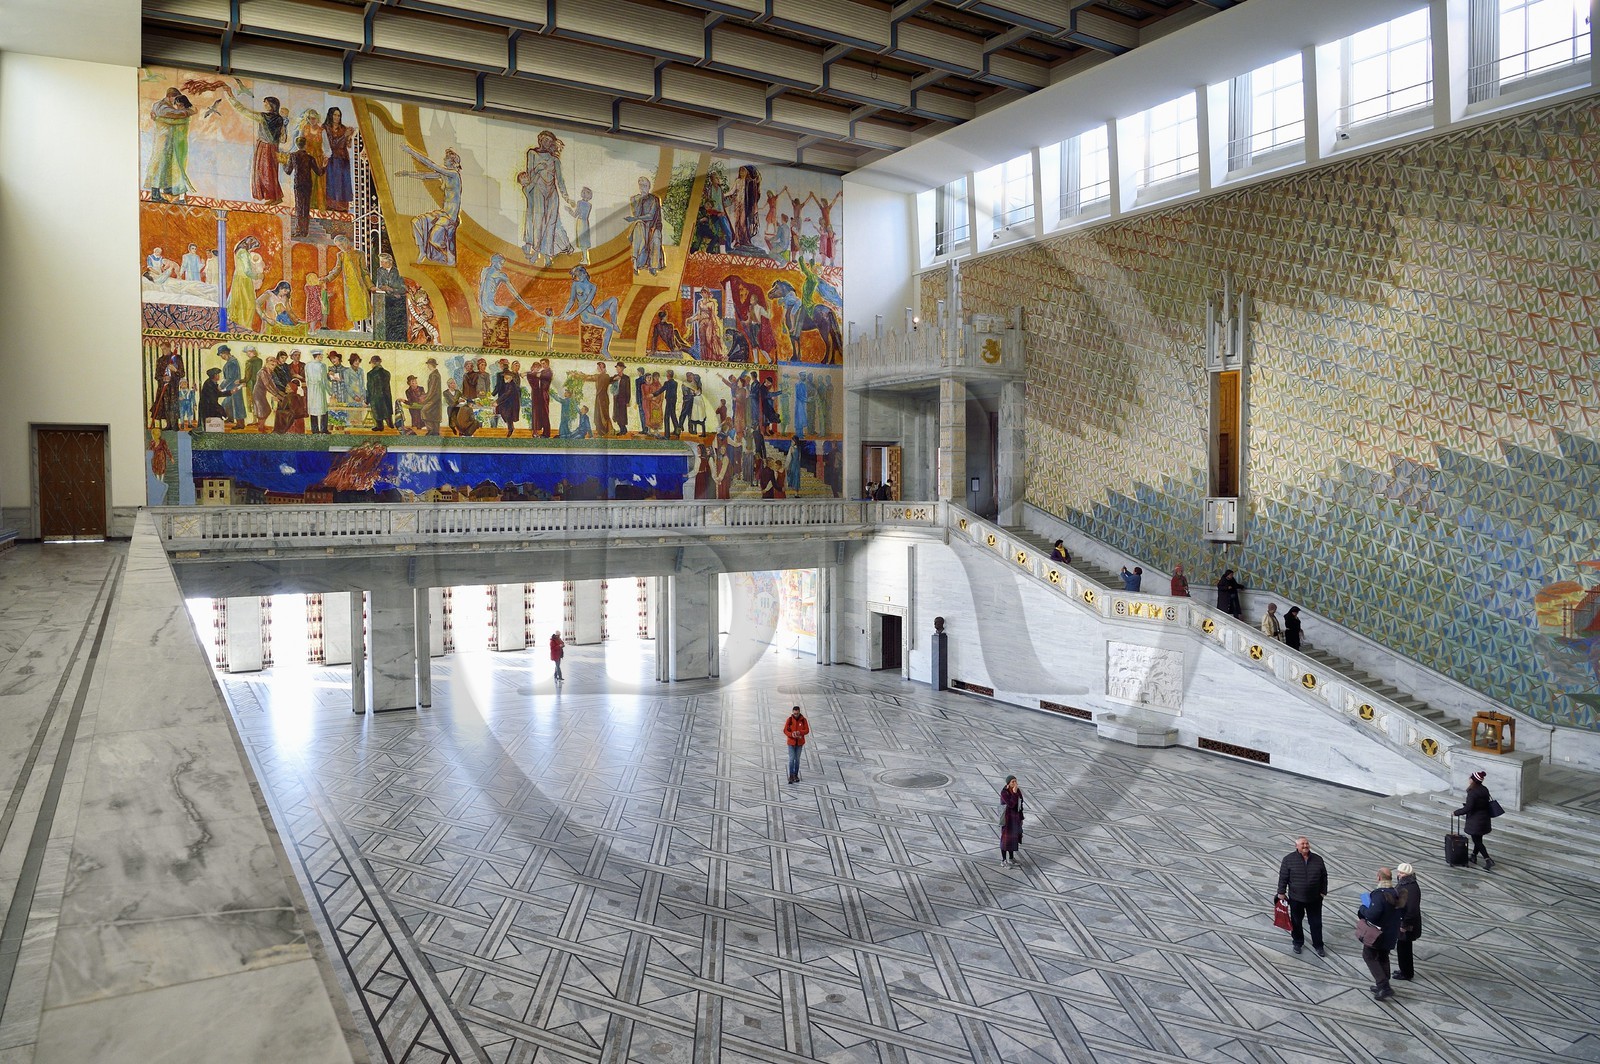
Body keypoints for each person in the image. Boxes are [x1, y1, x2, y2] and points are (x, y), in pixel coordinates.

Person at [1276, 836, 1328, 957]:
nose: (1305, 846)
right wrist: (1281, 892)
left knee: (1316, 923)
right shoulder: (1288, 859)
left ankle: (1319, 945)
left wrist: (1323, 892)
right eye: (1302, 844)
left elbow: (1324, 876)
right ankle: (1298, 942)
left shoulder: (1318, 859)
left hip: (1315, 898)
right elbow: (1283, 877)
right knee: (1296, 922)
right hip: (1296, 898)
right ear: (1297, 846)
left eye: (1307, 843)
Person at [1357, 867, 1404, 1002]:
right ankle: (1383, 984)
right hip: (1391, 932)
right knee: (1383, 956)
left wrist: (1363, 909)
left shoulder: (1378, 894)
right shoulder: (1397, 892)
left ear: (1378, 877)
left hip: (1378, 934)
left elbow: (1373, 915)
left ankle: (1383, 985)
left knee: (1368, 955)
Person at [1453, 771, 1496, 870]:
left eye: (1470, 778)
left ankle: (1488, 859)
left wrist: (1456, 812)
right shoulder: (1485, 789)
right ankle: (1473, 856)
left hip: (1475, 820)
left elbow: (1468, 807)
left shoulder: (1472, 792)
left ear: (1473, 780)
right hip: (1484, 818)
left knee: (1477, 841)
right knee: (1478, 839)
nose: (1469, 779)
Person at [1392, 862, 1422, 982]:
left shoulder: (1411, 888)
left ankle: (1407, 972)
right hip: (1403, 921)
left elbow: (1412, 909)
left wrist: (1404, 924)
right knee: (1402, 948)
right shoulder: (1406, 883)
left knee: (1405, 949)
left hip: (1407, 925)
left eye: (1401, 873)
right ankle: (1404, 969)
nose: (1399, 874)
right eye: (1399, 872)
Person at [999, 776, 1024, 864]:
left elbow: (1020, 804)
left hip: (1015, 819)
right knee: (1005, 840)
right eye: (1013, 782)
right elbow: (1011, 804)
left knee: (1013, 839)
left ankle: (1011, 858)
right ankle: (1003, 860)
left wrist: (1021, 818)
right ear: (1008, 783)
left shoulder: (1017, 790)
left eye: (1015, 781)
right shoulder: (1004, 792)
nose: (1015, 783)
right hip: (1007, 819)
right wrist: (1014, 793)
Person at [783, 706, 810, 783]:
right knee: (791, 759)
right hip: (791, 743)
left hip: (799, 743)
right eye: (794, 713)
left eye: (797, 713)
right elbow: (785, 730)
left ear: (799, 712)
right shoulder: (789, 720)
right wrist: (792, 734)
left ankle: (795, 775)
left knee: (797, 759)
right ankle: (791, 775)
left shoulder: (803, 720)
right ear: (792, 712)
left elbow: (807, 730)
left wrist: (800, 732)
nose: (796, 715)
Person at [366, 355, 393, 432]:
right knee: (387, 410)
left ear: (373, 363)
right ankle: (390, 424)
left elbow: (370, 388)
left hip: (376, 397)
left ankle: (380, 426)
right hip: (386, 396)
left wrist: (367, 400)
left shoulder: (370, 374)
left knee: (377, 412)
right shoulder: (387, 373)